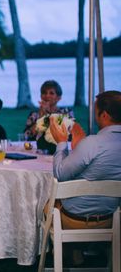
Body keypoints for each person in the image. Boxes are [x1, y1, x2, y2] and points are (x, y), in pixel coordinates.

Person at [49, 90, 121, 229]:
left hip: (75, 220)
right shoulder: (90, 143)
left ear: (104, 115)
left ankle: (59, 250)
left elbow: (60, 175)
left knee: (44, 204)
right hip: (111, 218)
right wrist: (79, 149)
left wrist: (61, 142)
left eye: (96, 112)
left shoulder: (93, 143)